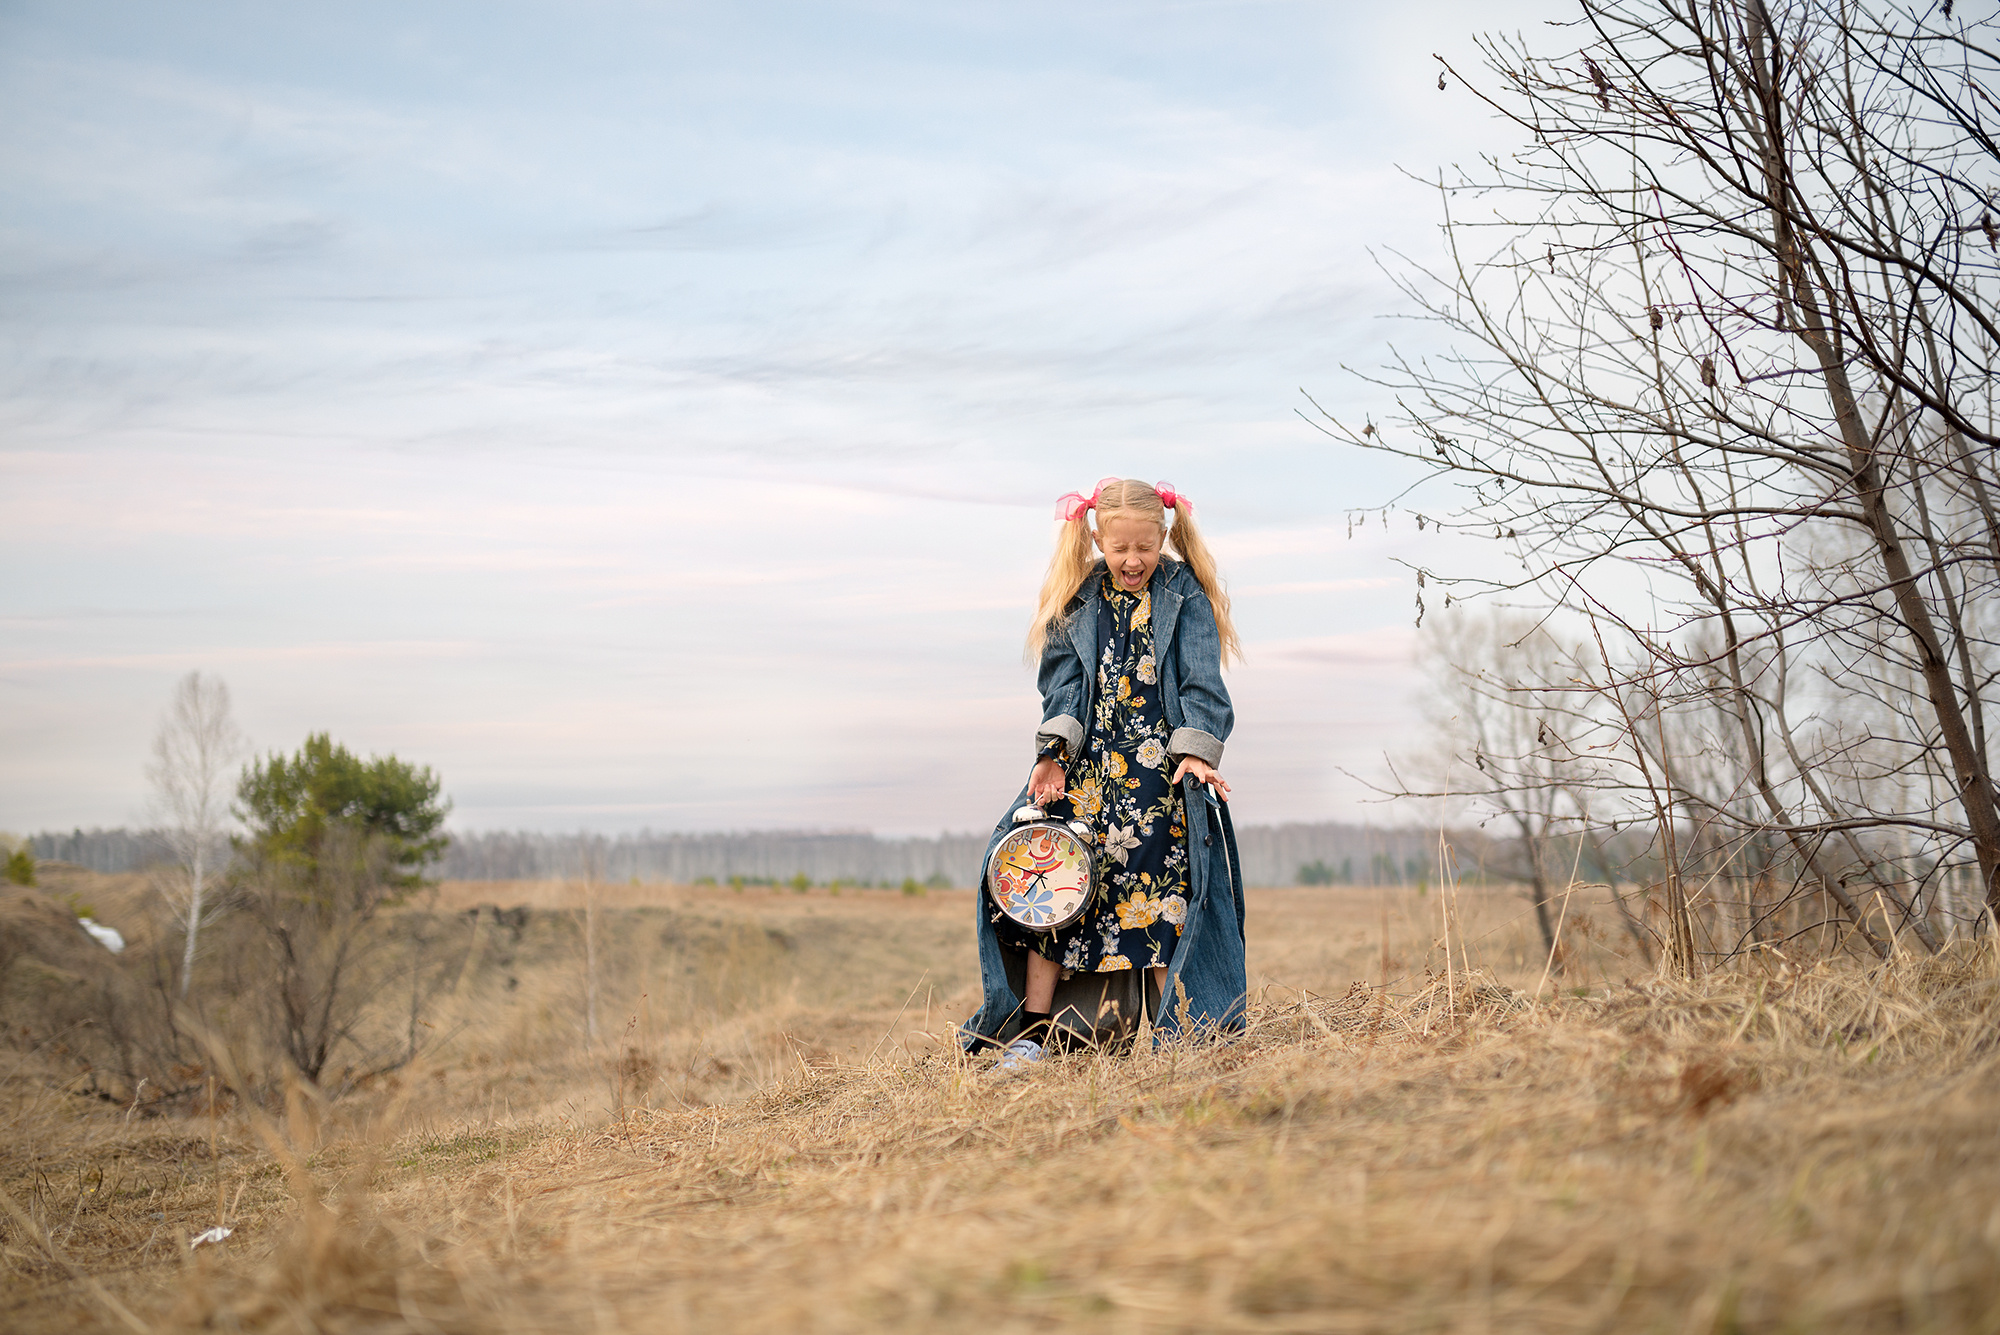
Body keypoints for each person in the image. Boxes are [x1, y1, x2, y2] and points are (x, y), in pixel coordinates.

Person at [961, 477, 1247, 1068]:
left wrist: (1197, 749)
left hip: (1160, 780)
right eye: (1120, 548)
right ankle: (1033, 1032)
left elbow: (1202, 683)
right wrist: (1052, 754)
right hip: (1088, 777)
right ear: (1097, 539)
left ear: (1163, 536)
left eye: (1145, 547)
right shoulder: (1077, 597)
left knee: (1167, 901)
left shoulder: (1184, 594)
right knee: (1049, 888)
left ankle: (1181, 1036)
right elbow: (1063, 688)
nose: (1133, 560)